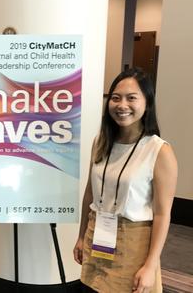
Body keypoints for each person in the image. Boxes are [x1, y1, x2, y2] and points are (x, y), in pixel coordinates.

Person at [73, 67, 177, 293]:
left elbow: (162, 214)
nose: (122, 105)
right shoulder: (101, 141)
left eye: (132, 98)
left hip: (134, 242)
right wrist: (81, 236)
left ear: (147, 103)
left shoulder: (159, 151)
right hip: (98, 233)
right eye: (115, 98)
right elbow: (90, 194)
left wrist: (151, 265)